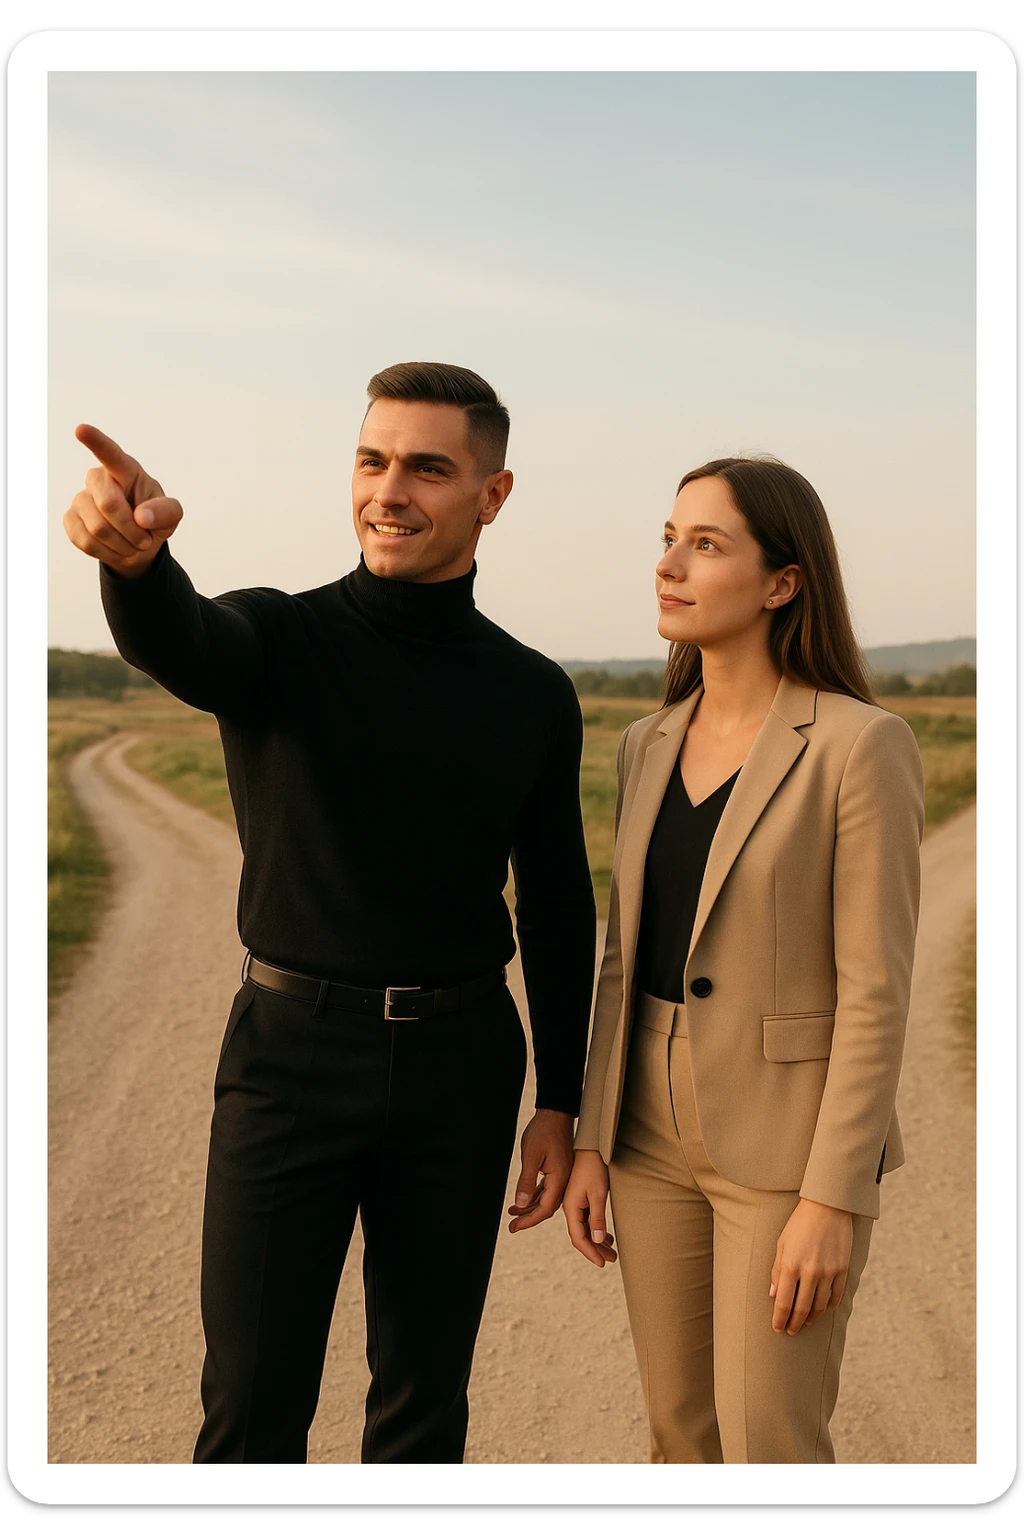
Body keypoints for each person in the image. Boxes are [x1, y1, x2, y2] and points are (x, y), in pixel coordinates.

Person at [61, 361, 597, 1465]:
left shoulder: (533, 690)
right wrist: (138, 566)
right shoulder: (279, 638)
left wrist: (562, 1099)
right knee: (251, 1411)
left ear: (493, 495)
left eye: (428, 468)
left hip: (461, 1069)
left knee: (421, 1415)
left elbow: (552, 901)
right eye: (372, 459)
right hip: (289, 1060)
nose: (389, 490)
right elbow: (184, 640)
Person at [562, 456, 924, 1464]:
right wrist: (594, 1136)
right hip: (644, 1134)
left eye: (705, 544)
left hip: (784, 1147)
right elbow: (618, 963)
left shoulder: (861, 744)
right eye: (667, 539)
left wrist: (832, 1197)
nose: (669, 565)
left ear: (782, 582)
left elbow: (875, 995)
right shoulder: (645, 742)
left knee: (770, 1441)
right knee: (680, 1437)